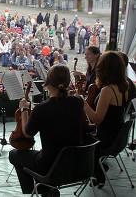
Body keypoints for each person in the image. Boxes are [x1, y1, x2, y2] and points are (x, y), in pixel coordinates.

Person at [9, 65, 86, 196]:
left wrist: (24, 110)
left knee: (14, 154)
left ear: (48, 83)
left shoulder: (42, 109)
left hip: (51, 165)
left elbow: (27, 134)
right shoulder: (78, 102)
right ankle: (46, 189)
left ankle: (38, 190)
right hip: (77, 163)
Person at [82, 51, 128, 187]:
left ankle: (94, 171)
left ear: (105, 69)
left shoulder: (107, 90)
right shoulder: (123, 86)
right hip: (116, 137)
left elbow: (97, 119)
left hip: (105, 139)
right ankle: (97, 169)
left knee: (78, 136)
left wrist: (82, 103)